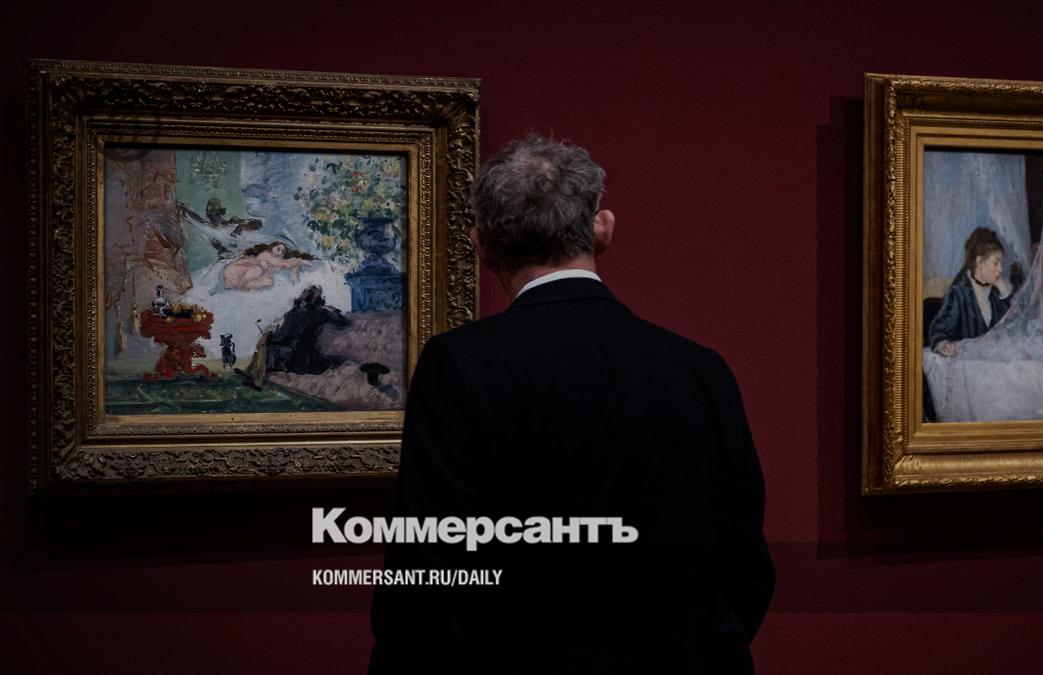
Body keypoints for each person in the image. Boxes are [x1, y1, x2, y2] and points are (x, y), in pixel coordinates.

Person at [369, 134, 774, 674]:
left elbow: (425, 572)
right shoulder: (702, 368)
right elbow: (746, 567)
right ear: (602, 229)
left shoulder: (460, 364)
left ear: (481, 245)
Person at [928, 227, 1023, 357]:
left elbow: (1016, 327)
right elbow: (938, 329)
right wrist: (943, 344)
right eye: (996, 263)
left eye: (1001, 263)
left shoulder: (997, 293)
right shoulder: (958, 294)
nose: (1000, 269)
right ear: (979, 262)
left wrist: (1004, 291)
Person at [235, 285, 350, 389]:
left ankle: (257, 380)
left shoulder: (294, 314)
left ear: (303, 297)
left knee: (264, 346)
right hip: (310, 357)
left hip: (293, 357)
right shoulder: (322, 313)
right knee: (264, 345)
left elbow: (282, 337)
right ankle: (250, 373)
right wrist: (334, 310)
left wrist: (269, 335)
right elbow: (344, 322)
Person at [221, 241, 312, 291]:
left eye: (282, 251)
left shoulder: (275, 260)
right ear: (272, 247)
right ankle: (241, 286)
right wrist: (301, 261)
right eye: (278, 248)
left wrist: (296, 272)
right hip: (234, 274)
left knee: (269, 281)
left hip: (239, 279)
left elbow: (287, 263)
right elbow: (285, 264)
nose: (280, 252)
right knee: (258, 270)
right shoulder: (266, 254)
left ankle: (244, 287)